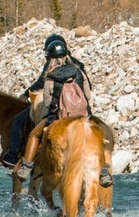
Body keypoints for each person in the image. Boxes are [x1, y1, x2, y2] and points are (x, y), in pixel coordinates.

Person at [11, 32, 112, 188]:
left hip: (59, 117)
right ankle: (104, 171)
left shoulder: (51, 74)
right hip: (83, 115)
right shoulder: (79, 69)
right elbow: (88, 94)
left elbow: (47, 100)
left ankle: (26, 167)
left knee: (34, 135)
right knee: (98, 137)